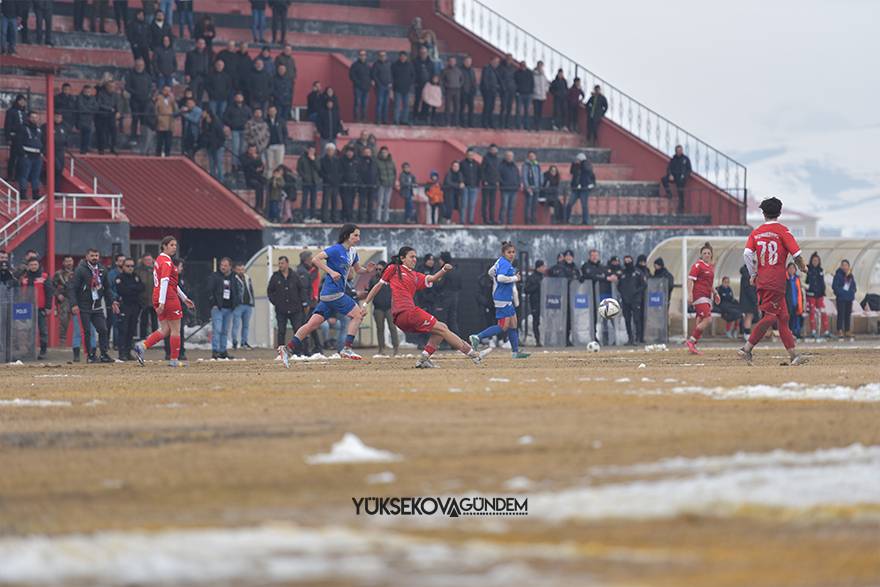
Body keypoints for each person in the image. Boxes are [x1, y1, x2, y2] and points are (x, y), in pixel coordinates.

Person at [362, 247, 489, 368]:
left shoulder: (416, 275)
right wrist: (364, 304)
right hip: (407, 313)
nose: (414, 259)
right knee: (443, 329)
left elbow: (433, 278)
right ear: (402, 258)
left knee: (441, 329)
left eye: (415, 257)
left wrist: (443, 269)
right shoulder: (394, 268)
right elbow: (378, 286)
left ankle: (424, 359)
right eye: (411, 257)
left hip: (404, 317)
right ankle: (473, 354)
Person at [278, 224, 375, 365]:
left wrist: (367, 270)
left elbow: (358, 269)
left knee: (312, 324)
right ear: (347, 235)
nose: (358, 238)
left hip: (329, 296)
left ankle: (287, 348)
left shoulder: (353, 252)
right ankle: (347, 348)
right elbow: (315, 259)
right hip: (333, 293)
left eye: (359, 235)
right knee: (358, 315)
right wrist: (331, 271)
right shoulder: (335, 249)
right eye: (355, 235)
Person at [739, 197, 808, 365]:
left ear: (763, 214)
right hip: (776, 281)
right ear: (780, 212)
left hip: (763, 280)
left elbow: (747, 254)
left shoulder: (756, 233)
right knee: (770, 317)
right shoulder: (783, 231)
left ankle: (793, 355)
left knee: (783, 317)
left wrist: (753, 274)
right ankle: (746, 349)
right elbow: (797, 255)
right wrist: (803, 267)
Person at [134, 237, 195, 367]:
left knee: (165, 329)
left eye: (175, 245)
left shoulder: (159, 260)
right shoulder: (167, 262)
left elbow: (172, 282)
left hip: (157, 295)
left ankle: (142, 346)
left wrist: (184, 298)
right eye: (171, 245)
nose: (174, 247)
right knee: (176, 330)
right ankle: (174, 359)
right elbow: (165, 281)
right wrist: (162, 302)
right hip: (168, 297)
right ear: (164, 246)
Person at [469, 242, 529, 359]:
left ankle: (515, 352)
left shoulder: (500, 261)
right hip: (502, 298)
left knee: (513, 324)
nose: (511, 254)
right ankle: (477, 337)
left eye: (513, 252)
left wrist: (496, 279)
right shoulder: (505, 264)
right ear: (503, 253)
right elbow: (500, 278)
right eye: (509, 252)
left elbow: (491, 272)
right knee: (503, 326)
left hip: (505, 297)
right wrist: (515, 278)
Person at [69, 248, 118, 364]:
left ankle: (104, 354)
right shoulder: (80, 270)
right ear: (87, 256)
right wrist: (74, 304)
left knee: (103, 329)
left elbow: (107, 288)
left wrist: (112, 301)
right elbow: (72, 289)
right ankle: (90, 355)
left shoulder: (102, 270)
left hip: (97, 306)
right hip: (83, 306)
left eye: (96, 255)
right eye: (92, 255)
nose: (94, 257)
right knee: (87, 332)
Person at [685, 242, 720, 354]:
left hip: (707, 296)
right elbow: (690, 280)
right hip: (699, 295)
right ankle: (691, 341)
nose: (706, 254)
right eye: (704, 253)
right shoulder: (697, 265)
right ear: (701, 255)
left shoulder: (710, 268)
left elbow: (709, 284)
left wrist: (715, 293)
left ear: (711, 255)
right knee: (708, 319)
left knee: (700, 320)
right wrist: (690, 294)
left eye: (708, 253)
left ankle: (693, 346)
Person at [267, 255, 308, 347]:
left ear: (287, 264)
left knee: (298, 329)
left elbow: (301, 289)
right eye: (279, 263)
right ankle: (281, 351)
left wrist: (304, 302)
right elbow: (270, 291)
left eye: (282, 263)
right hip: (281, 309)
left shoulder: (295, 275)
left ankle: (300, 351)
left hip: (295, 308)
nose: (280, 265)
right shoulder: (275, 276)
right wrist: (275, 302)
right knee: (281, 330)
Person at [205, 257, 238, 360]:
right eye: (222, 265)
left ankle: (223, 351)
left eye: (225, 265)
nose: (223, 267)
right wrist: (213, 303)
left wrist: (235, 303)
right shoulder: (215, 276)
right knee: (217, 329)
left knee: (224, 331)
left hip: (229, 308)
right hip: (218, 308)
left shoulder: (233, 277)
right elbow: (209, 290)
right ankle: (215, 351)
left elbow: (236, 291)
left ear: (230, 267)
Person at [19, 257, 52, 360]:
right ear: (28, 266)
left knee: (42, 331)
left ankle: (43, 351)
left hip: (40, 308)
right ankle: (30, 352)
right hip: (26, 308)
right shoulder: (24, 277)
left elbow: (49, 293)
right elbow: (20, 293)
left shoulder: (44, 277)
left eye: (35, 265)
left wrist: (48, 307)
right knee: (27, 331)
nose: (33, 267)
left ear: (38, 265)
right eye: (31, 265)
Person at [114, 256, 144, 361]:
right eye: (128, 266)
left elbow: (141, 287)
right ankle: (122, 353)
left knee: (131, 330)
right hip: (125, 306)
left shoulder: (136, 277)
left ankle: (128, 352)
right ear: (123, 267)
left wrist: (132, 288)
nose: (130, 268)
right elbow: (122, 291)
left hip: (135, 306)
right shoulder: (120, 278)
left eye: (132, 266)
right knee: (123, 330)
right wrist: (133, 288)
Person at [366, 261, 398, 356]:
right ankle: (381, 349)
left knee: (392, 328)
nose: (378, 271)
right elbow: (370, 293)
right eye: (377, 269)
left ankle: (396, 348)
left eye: (380, 269)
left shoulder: (391, 279)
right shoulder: (373, 280)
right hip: (378, 308)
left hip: (389, 308)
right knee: (380, 329)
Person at [619, 254, 647, 345]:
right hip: (625, 300)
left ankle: (637, 338)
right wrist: (623, 294)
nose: (627, 262)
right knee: (627, 319)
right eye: (625, 261)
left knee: (636, 319)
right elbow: (618, 286)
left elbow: (643, 285)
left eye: (629, 260)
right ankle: (630, 338)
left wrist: (636, 292)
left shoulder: (638, 272)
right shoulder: (622, 273)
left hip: (636, 300)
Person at [16, 112, 44, 200]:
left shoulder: (39, 129)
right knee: (24, 175)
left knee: (36, 176)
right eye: (32, 117)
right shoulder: (23, 128)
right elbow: (18, 141)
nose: (34, 119)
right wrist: (22, 153)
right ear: (28, 118)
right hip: (26, 155)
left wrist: (42, 152)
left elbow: (44, 141)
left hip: (37, 155)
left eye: (36, 117)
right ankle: (23, 194)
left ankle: (36, 193)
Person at [805, 252, 831, 341]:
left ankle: (826, 331)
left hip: (820, 295)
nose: (815, 262)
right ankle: (813, 331)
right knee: (812, 312)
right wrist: (807, 288)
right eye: (814, 260)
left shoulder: (821, 270)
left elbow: (822, 282)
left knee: (823, 312)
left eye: (817, 260)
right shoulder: (807, 269)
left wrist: (823, 291)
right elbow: (804, 281)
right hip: (811, 295)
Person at [661, 145, 692, 213]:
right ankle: (669, 194)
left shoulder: (685, 159)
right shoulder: (673, 159)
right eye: (678, 151)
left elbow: (689, 170)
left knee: (680, 191)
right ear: (676, 151)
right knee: (664, 179)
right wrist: (670, 175)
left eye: (680, 150)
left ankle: (681, 208)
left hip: (681, 178)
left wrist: (684, 176)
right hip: (674, 176)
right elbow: (669, 168)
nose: (679, 152)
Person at [567, 152, 595, 224]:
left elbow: (589, 171)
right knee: (569, 204)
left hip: (584, 188)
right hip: (576, 188)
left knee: (584, 205)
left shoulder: (586, 165)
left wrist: (583, 162)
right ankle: (566, 218)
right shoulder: (576, 166)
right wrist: (574, 164)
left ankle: (586, 221)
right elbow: (572, 172)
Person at [232, 261, 255, 349]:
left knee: (246, 325)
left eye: (242, 269)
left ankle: (244, 342)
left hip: (248, 305)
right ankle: (234, 341)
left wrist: (252, 302)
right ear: (235, 270)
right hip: (238, 305)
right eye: (239, 269)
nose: (241, 271)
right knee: (236, 325)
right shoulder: (234, 279)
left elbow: (251, 290)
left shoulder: (247, 278)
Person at [832, 259, 856, 341]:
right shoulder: (838, 275)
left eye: (846, 265)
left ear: (848, 266)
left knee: (847, 314)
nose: (845, 267)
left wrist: (852, 292)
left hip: (849, 298)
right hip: (841, 298)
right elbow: (835, 287)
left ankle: (847, 330)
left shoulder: (850, 276)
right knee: (841, 314)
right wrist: (842, 293)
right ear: (841, 266)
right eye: (843, 265)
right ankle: (840, 330)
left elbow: (854, 286)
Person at [524, 259, 546, 346]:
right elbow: (526, 290)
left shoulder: (544, 277)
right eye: (543, 266)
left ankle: (545, 339)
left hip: (545, 303)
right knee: (536, 321)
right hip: (535, 302)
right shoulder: (532, 277)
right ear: (539, 267)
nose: (544, 268)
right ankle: (537, 340)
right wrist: (537, 286)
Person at [296, 146, 320, 222]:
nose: (311, 151)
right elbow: (299, 169)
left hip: (314, 181)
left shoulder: (317, 158)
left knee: (313, 200)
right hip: (306, 182)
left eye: (313, 150)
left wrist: (313, 160)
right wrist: (304, 177)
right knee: (304, 200)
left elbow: (319, 168)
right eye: (310, 150)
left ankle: (313, 216)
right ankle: (304, 216)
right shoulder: (302, 158)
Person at [135, 254, 157, 338]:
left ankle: (155, 338)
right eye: (146, 260)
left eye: (149, 260)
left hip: (154, 299)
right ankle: (143, 337)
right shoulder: (139, 271)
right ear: (143, 261)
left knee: (154, 320)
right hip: (143, 299)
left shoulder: (156, 270)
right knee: (143, 320)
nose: (148, 262)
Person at [320, 142, 342, 223]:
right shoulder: (322, 160)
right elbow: (321, 171)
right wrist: (327, 178)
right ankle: (324, 217)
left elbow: (340, 171)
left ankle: (334, 217)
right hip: (327, 183)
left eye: (332, 150)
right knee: (325, 201)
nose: (330, 151)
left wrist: (337, 179)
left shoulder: (337, 160)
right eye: (328, 150)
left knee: (335, 201)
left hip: (335, 183)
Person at [241, 144, 267, 213]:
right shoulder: (244, 156)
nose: (253, 151)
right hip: (249, 178)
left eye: (254, 150)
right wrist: (254, 160)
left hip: (258, 176)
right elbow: (246, 165)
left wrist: (259, 168)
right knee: (258, 185)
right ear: (248, 149)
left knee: (267, 183)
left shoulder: (257, 156)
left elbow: (261, 167)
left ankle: (263, 206)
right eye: (251, 150)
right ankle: (257, 206)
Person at [184, 37, 211, 103]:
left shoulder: (206, 54)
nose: (201, 45)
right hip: (193, 77)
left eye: (203, 43)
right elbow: (187, 65)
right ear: (197, 44)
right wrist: (187, 75)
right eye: (200, 43)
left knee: (200, 96)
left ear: (204, 45)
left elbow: (209, 66)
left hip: (203, 77)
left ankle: (198, 110)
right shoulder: (190, 54)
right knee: (192, 96)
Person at [375, 146, 397, 223]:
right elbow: (376, 173)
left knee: (387, 202)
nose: (384, 154)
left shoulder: (392, 162)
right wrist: (378, 182)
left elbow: (395, 172)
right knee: (380, 202)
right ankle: (378, 218)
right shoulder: (377, 162)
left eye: (385, 152)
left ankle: (386, 218)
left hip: (389, 184)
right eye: (383, 152)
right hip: (381, 184)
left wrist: (393, 182)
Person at [357, 146, 379, 223]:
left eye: (368, 152)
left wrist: (376, 183)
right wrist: (361, 183)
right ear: (363, 153)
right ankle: (361, 218)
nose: (367, 154)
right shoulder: (359, 162)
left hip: (372, 186)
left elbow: (377, 173)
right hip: (363, 186)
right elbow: (358, 174)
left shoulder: (374, 162)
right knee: (362, 203)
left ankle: (370, 219)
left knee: (371, 203)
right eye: (365, 152)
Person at [499, 150, 521, 225]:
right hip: (505, 189)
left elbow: (518, 176)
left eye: (511, 156)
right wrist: (503, 184)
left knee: (512, 207)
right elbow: (499, 177)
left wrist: (518, 184)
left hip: (514, 189)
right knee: (504, 206)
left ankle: (510, 222)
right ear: (505, 157)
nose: (509, 157)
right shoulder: (501, 166)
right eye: (508, 156)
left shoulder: (515, 166)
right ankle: (502, 221)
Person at [784, 263, 806, 339]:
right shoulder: (786, 279)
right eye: (790, 268)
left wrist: (801, 302)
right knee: (789, 319)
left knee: (797, 318)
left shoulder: (797, 279)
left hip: (796, 302)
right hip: (788, 303)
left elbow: (799, 291)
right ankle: (789, 333)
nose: (791, 270)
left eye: (793, 268)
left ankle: (797, 333)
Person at [440, 56, 463, 126]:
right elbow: (441, 80)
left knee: (457, 107)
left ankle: (455, 123)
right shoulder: (444, 70)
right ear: (448, 62)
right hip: (448, 90)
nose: (452, 62)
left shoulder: (459, 70)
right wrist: (444, 87)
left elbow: (462, 80)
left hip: (457, 90)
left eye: (453, 61)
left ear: (455, 62)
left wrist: (459, 85)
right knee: (447, 107)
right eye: (450, 61)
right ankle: (447, 122)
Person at [412, 45, 433, 122]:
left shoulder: (431, 62)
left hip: (427, 85)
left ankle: (424, 117)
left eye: (424, 52)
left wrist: (431, 83)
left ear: (427, 53)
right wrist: (415, 82)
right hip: (418, 85)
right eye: (421, 52)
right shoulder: (415, 62)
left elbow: (433, 73)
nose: (423, 54)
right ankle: (415, 117)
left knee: (426, 101)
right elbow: (413, 73)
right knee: (417, 101)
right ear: (419, 53)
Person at [480, 144, 500, 224]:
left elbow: (498, 171)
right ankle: (485, 219)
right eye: (492, 149)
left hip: (494, 183)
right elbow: (482, 170)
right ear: (489, 150)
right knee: (485, 202)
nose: (494, 151)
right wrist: (484, 180)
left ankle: (492, 219)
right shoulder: (486, 158)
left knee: (492, 203)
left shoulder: (498, 159)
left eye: (495, 149)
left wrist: (498, 180)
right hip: (487, 183)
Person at [349, 50, 371, 122]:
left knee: (365, 104)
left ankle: (364, 119)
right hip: (358, 88)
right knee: (357, 104)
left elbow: (370, 76)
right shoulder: (355, 65)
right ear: (359, 56)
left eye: (364, 55)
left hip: (366, 88)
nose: (362, 56)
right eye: (361, 55)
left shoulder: (368, 65)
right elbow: (352, 75)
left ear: (366, 56)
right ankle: (356, 119)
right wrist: (358, 83)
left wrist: (368, 85)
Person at [371, 50, 393, 124]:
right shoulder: (376, 64)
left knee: (386, 104)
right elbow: (374, 75)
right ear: (379, 57)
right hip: (380, 87)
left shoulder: (389, 64)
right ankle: (378, 120)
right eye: (381, 56)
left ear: (386, 56)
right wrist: (379, 84)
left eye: (384, 55)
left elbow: (392, 74)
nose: (382, 57)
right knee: (379, 103)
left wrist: (391, 82)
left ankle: (385, 120)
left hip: (388, 86)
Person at [77, 85, 99, 154]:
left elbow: (96, 107)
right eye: (86, 91)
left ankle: (86, 149)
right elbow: (81, 108)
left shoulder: (93, 98)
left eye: (89, 91)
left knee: (89, 135)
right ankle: (82, 150)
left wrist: (87, 109)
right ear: (83, 91)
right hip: (81, 119)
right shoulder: (79, 97)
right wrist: (90, 109)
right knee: (82, 136)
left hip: (90, 120)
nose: (87, 93)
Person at [480, 56, 500, 129]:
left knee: (491, 108)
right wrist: (488, 89)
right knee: (487, 107)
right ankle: (485, 123)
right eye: (495, 61)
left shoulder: (496, 70)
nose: (497, 63)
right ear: (491, 61)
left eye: (498, 62)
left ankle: (490, 122)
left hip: (493, 91)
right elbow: (485, 80)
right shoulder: (487, 68)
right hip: (488, 92)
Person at [738, 263, 757, 340]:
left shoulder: (745, 274)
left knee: (747, 316)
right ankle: (747, 334)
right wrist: (755, 299)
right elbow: (749, 289)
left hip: (745, 299)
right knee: (749, 316)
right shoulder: (748, 275)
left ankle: (746, 333)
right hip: (748, 300)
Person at [521, 150, 541, 224]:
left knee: (535, 205)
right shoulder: (526, 165)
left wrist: (540, 185)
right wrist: (527, 187)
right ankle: (528, 220)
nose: (532, 157)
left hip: (536, 188)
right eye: (530, 156)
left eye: (533, 156)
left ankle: (534, 219)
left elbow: (539, 175)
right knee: (528, 204)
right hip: (529, 188)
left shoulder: (537, 165)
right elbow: (524, 176)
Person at [513, 60, 534, 130]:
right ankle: (518, 125)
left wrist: (531, 92)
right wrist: (516, 91)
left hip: (528, 94)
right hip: (519, 94)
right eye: (521, 65)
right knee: (518, 110)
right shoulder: (516, 73)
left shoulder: (529, 73)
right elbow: (514, 82)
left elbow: (532, 83)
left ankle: (526, 125)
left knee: (527, 111)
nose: (523, 67)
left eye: (524, 65)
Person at [499, 54, 517, 129]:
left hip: (512, 90)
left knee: (509, 108)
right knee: (503, 107)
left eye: (511, 59)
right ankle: (501, 124)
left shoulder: (514, 68)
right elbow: (500, 78)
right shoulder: (501, 67)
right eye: (508, 58)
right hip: (504, 90)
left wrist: (515, 87)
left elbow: (516, 78)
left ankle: (507, 124)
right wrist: (503, 87)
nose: (509, 60)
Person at [531, 61, 549, 130]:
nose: (540, 67)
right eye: (539, 66)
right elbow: (532, 84)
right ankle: (535, 125)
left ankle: (539, 125)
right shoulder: (534, 74)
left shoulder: (544, 75)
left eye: (542, 66)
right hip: (536, 96)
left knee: (540, 112)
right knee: (536, 111)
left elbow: (546, 84)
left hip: (542, 96)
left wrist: (545, 90)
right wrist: (535, 91)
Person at [460, 55, 477, 128]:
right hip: (463, 92)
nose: (468, 63)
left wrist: (474, 90)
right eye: (467, 61)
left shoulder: (472, 70)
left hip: (471, 92)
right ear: (464, 62)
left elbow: (474, 81)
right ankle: (462, 123)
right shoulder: (460, 70)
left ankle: (471, 123)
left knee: (471, 108)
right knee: (462, 108)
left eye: (470, 61)